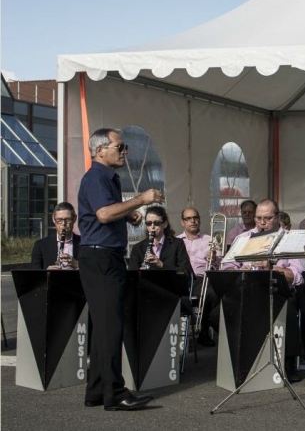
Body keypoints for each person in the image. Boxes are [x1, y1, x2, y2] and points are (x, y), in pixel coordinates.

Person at [77, 127, 164, 411]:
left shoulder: (106, 177)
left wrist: (127, 214)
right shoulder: (97, 176)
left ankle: (96, 391)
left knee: (105, 327)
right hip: (101, 257)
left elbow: (104, 211)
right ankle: (114, 393)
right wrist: (141, 199)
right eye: (120, 146)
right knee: (111, 327)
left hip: (103, 256)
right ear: (100, 150)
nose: (125, 151)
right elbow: (103, 214)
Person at [222, 199, 305, 380]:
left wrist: (273, 269)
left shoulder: (290, 239)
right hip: (248, 290)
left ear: (277, 217)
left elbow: (298, 276)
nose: (262, 222)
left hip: (277, 291)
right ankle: (239, 360)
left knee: (289, 307)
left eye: (267, 218)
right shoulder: (243, 238)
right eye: (258, 218)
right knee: (219, 312)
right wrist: (242, 269)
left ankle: (289, 363)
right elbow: (226, 266)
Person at [176, 207, 219, 346]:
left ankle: (203, 330)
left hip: (201, 279)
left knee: (211, 293)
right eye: (188, 218)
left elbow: (219, 265)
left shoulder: (210, 240)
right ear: (182, 222)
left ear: (199, 220)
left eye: (195, 217)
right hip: (182, 279)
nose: (193, 221)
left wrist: (214, 259)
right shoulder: (176, 241)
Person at [128, 206, 192, 279]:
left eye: (157, 223)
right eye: (149, 223)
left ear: (165, 224)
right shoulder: (138, 248)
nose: (152, 227)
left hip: (171, 285)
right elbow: (132, 277)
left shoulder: (177, 244)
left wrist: (162, 265)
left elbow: (186, 272)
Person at [31, 202, 81, 269]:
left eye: (68, 219)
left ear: (74, 219)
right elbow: (34, 272)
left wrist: (77, 265)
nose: (63, 224)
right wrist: (47, 272)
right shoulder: (40, 245)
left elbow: (93, 270)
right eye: (59, 220)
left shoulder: (85, 244)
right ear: (53, 219)